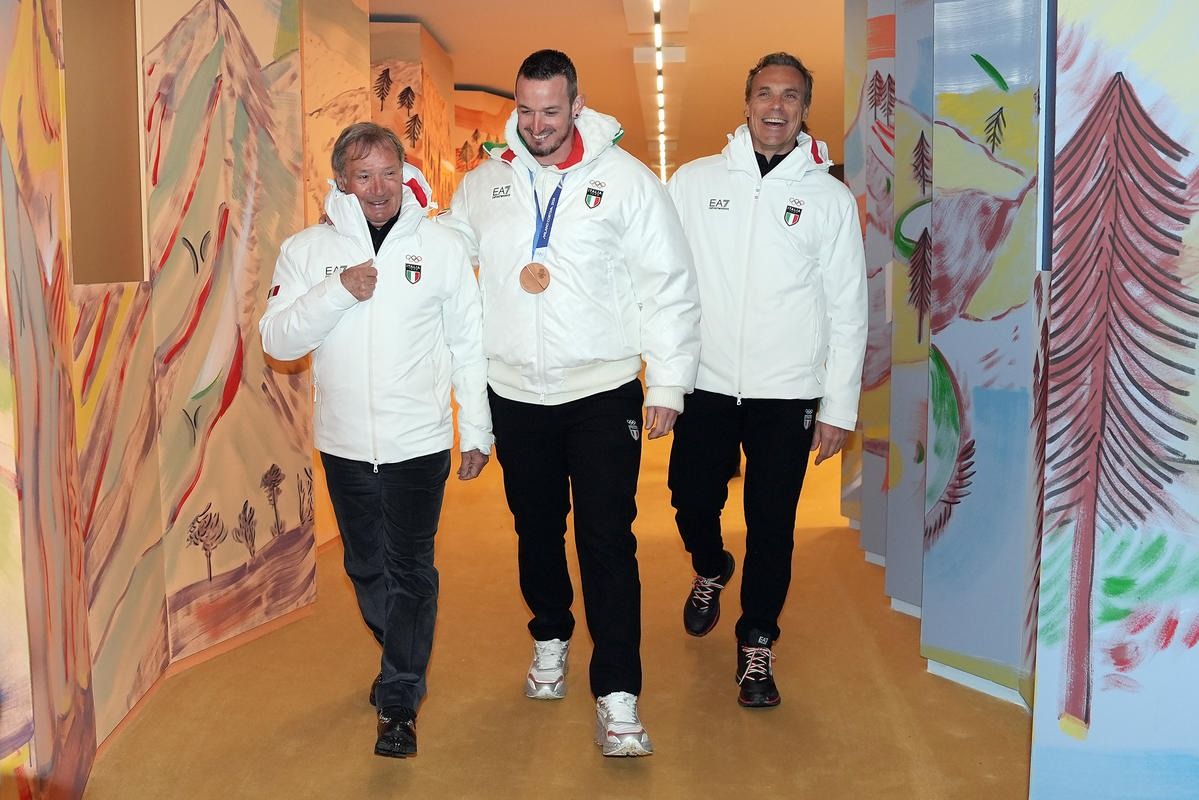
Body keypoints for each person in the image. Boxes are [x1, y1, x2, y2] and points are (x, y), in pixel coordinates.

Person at [440, 49, 699, 756]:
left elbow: (669, 283)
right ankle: (551, 635)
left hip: (601, 388)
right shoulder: (484, 183)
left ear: (577, 105)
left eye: (551, 111)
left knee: (607, 538)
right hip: (515, 390)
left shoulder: (626, 181)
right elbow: (445, 259)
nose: (537, 124)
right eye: (526, 111)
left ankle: (617, 694)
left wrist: (667, 382)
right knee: (536, 528)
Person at [259, 122, 491, 758]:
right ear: (342, 181)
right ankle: (402, 655)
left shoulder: (440, 246)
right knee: (365, 566)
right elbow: (277, 340)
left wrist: (475, 428)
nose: (379, 187)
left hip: (419, 442)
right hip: (344, 445)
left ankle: (398, 700)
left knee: (410, 569)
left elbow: (468, 344)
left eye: (389, 172)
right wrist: (337, 291)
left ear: (403, 173)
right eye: (364, 176)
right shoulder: (307, 251)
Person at [665, 53, 867, 708]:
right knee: (691, 499)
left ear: (805, 109)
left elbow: (848, 309)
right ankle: (710, 566)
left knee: (772, 522)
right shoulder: (694, 183)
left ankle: (757, 642)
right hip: (706, 380)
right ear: (746, 101)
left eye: (790, 96)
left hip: (788, 392)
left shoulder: (829, 199)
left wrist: (837, 406)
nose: (776, 106)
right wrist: (665, 377)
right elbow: (663, 281)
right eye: (765, 93)